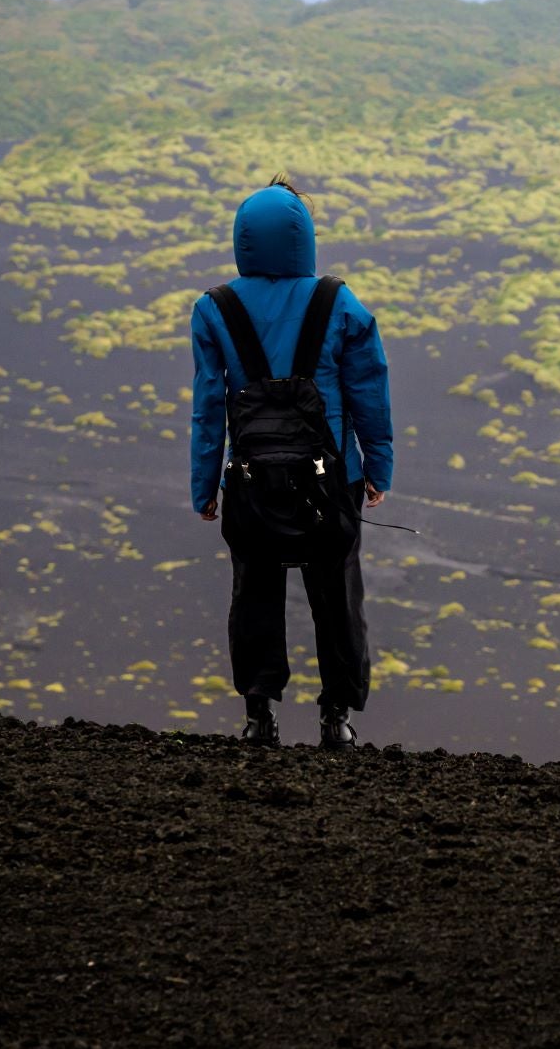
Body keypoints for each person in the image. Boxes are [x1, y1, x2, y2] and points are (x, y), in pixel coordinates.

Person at [189, 173, 393, 749]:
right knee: (336, 594)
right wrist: (378, 467)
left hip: (251, 484)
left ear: (243, 237)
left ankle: (259, 715)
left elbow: (208, 409)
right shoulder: (338, 301)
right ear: (303, 234)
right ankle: (337, 718)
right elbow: (369, 391)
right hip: (332, 484)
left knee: (254, 592)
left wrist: (204, 487)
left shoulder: (215, 309)